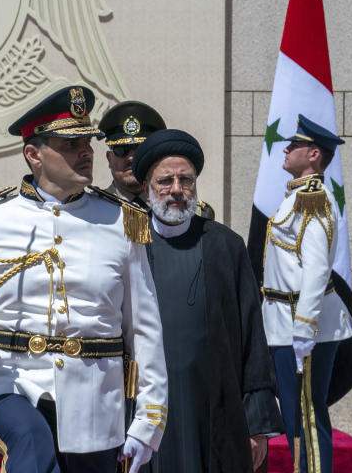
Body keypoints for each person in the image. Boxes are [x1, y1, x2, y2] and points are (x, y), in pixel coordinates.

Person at [0, 85, 168, 473]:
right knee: (31, 445)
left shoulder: (122, 221)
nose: (86, 152)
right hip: (9, 391)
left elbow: (145, 330)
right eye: (70, 143)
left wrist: (150, 419)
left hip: (95, 405)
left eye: (87, 142)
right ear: (33, 154)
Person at [129, 129, 283, 472]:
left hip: (213, 406)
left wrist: (257, 423)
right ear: (146, 188)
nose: (177, 190)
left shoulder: (225, 245)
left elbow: (252, 338)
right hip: (143, 407)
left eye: (186, 180)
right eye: (165, 181)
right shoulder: (128, 245)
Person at [261, 115, 352, 473]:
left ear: (314, 154)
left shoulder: (313, 200)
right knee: (297, 418)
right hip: (286, 323)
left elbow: (316, 269)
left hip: (302, 327)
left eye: (295, 145)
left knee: (307, 419)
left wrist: (304, 327)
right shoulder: (298, 197)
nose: (286, 149)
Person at [98, 101, 215, 219]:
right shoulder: (94, 210)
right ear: (109, 158)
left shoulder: (191, 211)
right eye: (122, 150)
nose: (132, 158)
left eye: (140, 150)